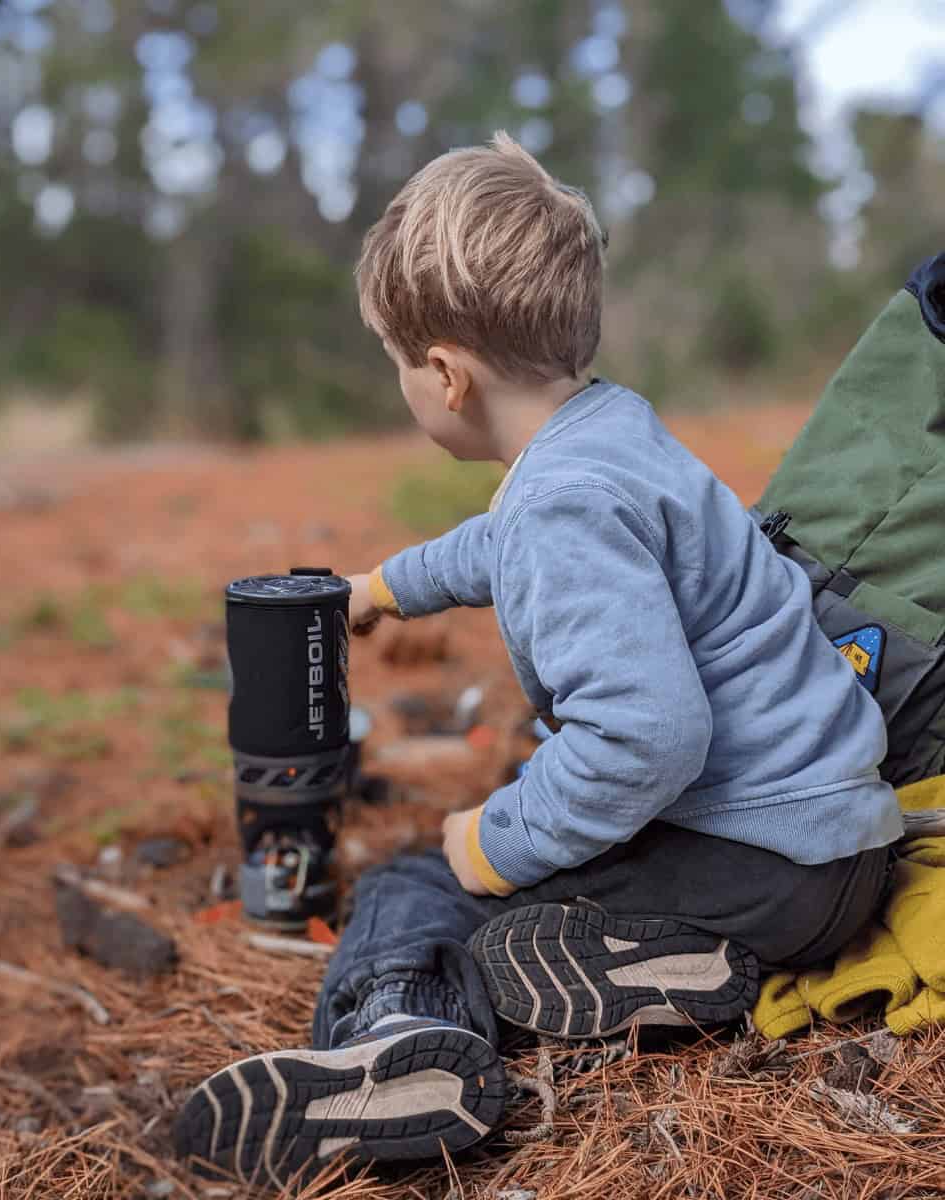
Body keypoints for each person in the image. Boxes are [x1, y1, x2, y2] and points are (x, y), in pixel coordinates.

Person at [173, 132, 902, 1187]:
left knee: (415, 887)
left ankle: (390, 1047)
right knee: (523, 886)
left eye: (395, 362)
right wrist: (386, 588)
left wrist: (494, 840)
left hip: (753, 860)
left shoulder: (562, 500)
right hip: (827, 855)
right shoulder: (607, 433)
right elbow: (499, 545)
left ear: (445, 375)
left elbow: (646, 736)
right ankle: (673, 966)